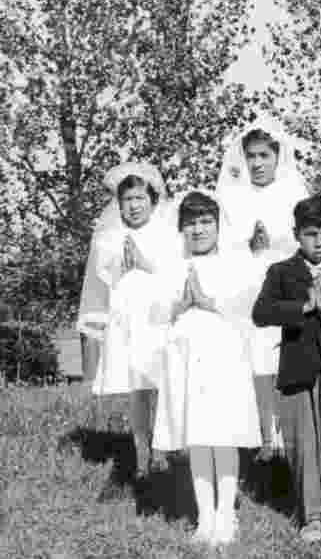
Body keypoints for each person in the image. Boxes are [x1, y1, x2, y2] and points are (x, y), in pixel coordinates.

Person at [142, 190, 262, 547]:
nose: (198, 230)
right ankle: (204, 516)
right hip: (185, 360)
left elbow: (247, 313)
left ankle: (226, 514)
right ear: (181, 228)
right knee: (197, 439)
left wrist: (208, 301)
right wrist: (181, 303)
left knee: (222, 437)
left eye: (205, 222)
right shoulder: (171, 267)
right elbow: (157, 314)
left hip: (223, 357)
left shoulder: (237, 266)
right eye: (191, 223)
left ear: (218, 226)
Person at [252, 195, 321, 545]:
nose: (320, 242)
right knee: (303, 444)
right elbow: (261, 313)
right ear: (296, 234)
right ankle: (311, 515)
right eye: (312, 234)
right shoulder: (281, 271)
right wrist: (301, 307)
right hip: (298, 368)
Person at [76, 162, 179, 481]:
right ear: (118, 204)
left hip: (158, 318)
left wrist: (147, 265)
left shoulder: (167, 234)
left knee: (161, 384)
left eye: (139, 198)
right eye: (127, 200)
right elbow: (104, 284)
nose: (133, 206)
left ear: (152, 199)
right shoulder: (109, 238)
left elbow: (176, 277)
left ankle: (163, 449)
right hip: (129, 320)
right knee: (137, 390)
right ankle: (141, 453)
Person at [216, 114, 310, 460]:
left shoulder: (293, 192)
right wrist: (248, 243)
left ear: (277, 157)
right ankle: (266, 434)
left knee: (283, 357)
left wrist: (276, 241)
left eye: (263, 156)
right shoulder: (232, 195)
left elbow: (307, 239)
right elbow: (219, 242)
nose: (256, 163)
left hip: (284, 283)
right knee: (255, 360)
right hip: (245, 283)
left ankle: (291, 432)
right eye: (251, 156)